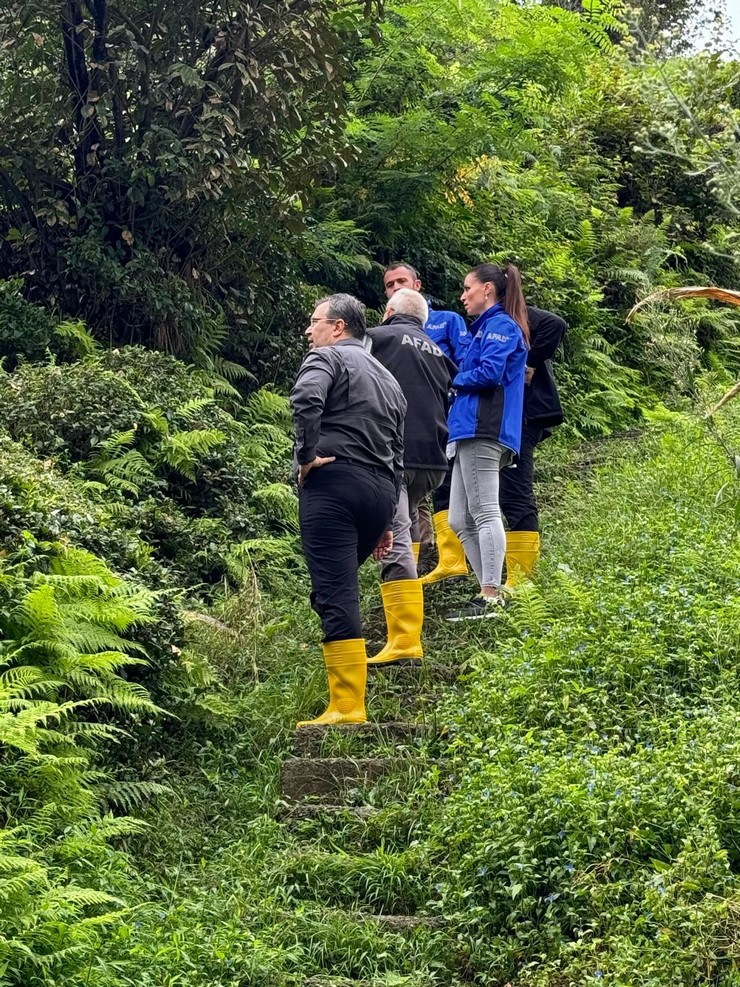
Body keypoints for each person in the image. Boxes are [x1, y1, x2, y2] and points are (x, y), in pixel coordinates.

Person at [290, 293, 406, 727]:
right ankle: (346, 698)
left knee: (336, 592)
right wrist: (391, 517)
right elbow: (398, 451)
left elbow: (305, 400)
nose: (309, 330)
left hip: (334, 484)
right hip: (378, 493)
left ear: (338, 328)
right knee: (332, 588)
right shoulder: (388, 379)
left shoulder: (328, 358)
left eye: (314, 321)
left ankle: (347, 705)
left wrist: (305, 455)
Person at [366, 288, 456, 665]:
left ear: (389, 312)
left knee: (397, 535)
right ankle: (407, 612)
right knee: (409, 524)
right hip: (433, 459)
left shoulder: (377, 337)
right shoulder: (441, 355)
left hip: (394, 451)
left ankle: (405, 640)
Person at [446, 263, 529, 620]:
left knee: (484, 511)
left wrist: (453, 380)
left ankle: (491, 594)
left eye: (468, 288)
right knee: (457, 519)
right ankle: (487, 592)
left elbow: (490, 373)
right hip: (467, 428)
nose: (463, 296)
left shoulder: (499, 326)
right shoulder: (481, 330)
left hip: (485, 428)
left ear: (488, 291)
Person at [383, 262, 470, 578]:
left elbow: (465, 362)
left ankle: (450, 556)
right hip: (398, 423)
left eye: (401, 281)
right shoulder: (388, 331)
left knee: (440, 488)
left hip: (438, 418)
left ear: (417, 284)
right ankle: (416, 563)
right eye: (390, 284)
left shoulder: (447, 321)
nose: (396, 287)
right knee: (409, 501)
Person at [499, 306, 567, 585]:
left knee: (515, 492)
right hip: (511, 418)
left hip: (524, 416)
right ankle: (516, 575)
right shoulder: (493, 323)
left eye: (469, 288)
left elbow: (556, 324)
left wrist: (528, 362)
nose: (463, 296)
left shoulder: (512, 314)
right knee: (507, 493)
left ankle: (522, 580)